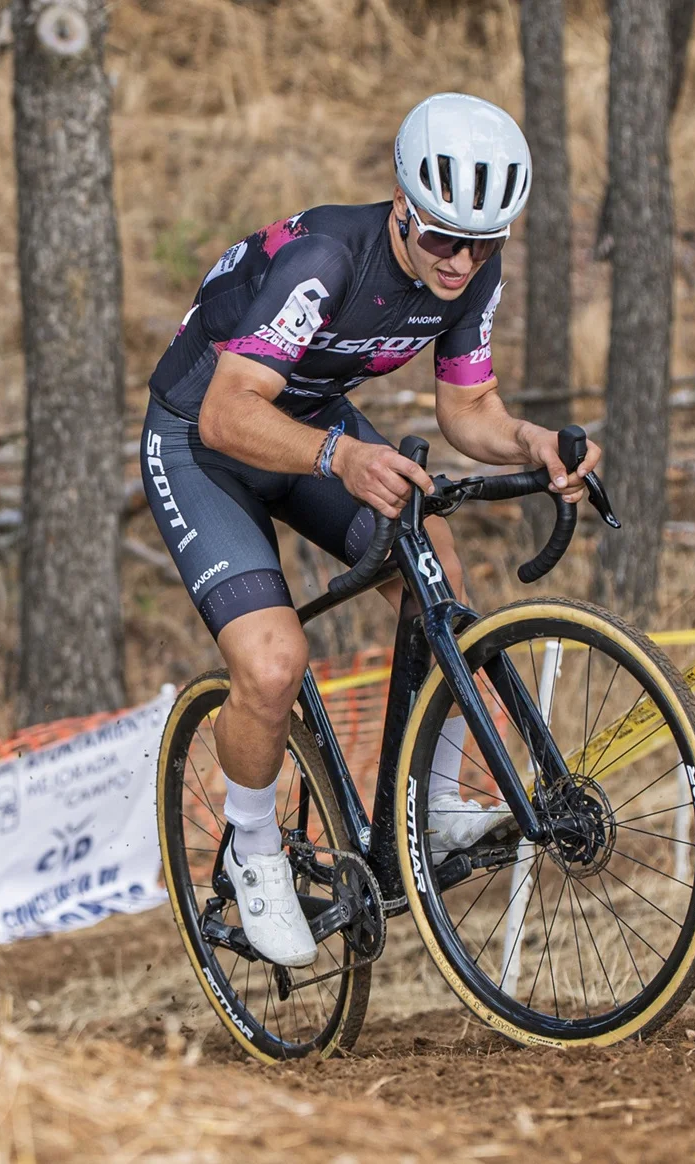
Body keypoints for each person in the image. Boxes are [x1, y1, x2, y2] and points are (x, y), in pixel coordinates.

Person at [140, 93, 601, 968]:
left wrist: (533, 440)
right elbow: (228, 415)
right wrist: (342, 459)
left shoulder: (469, 266)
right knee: (272, 665)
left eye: (483, 242)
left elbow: (468, 406)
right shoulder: (324, 260)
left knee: (441, 570)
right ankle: (250, 850)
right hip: (203, 437)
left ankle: (430, 800)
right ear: (402, 209)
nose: (462, 261)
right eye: (442, 240)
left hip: (307, 420)